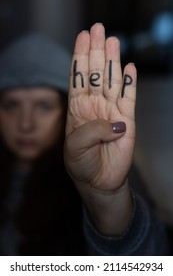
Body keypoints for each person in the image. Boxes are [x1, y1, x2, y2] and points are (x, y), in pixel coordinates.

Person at [0, 23, 167, 256]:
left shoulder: (104, 164)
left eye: (44, 106)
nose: (26, 124)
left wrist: (107, 201)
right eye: (11, 106)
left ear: (67, 108)